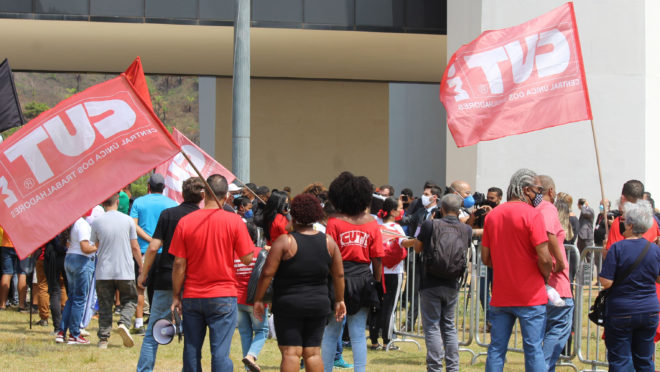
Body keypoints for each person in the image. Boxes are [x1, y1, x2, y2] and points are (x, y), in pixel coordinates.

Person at [169, 174, 254, 372]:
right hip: (223, 295)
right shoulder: (234, 222)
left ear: (203, 193)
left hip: (192, 295)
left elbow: (179, 264)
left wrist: (175, 295)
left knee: (191, 349)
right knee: (220, 353)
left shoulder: (186, 222)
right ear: (225, 197)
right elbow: (247, 258)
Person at [254, 193, 346, 372]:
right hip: (319, 304)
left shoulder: (285, 242)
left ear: (293, 214)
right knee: (313, 353)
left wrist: (258, 299)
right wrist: (340, 300)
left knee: (290, 352)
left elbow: (266, 274)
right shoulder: (328, 242)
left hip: (288, 304)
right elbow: (339, 275)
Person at [481, 168, 553, 372]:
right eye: (538, 189)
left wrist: (506, 265)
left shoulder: (493, 216)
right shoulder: (533, 215)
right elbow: (544, 257)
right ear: (527, 190)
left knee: (496, 348)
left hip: (501, 294)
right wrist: (544, 274)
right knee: (533, 349)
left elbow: (485, 258)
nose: (540, 193)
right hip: (530, 295)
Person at [136, 177, 205, 372]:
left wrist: (144, 273)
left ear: (183, 193)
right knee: (193, 333)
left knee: (153, 331)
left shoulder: (168, 214)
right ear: (201, 196)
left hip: (166, 276)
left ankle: (144, 370)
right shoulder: (202, 217)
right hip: (193, 280)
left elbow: (153, 247)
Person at [321, 171, 384, 372]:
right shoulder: (372, 223)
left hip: (337, 279)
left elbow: (327, 254)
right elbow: (377, 258)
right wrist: (376, 282)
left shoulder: (334, 222)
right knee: (358, 333)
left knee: (331, 330)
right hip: (363, 279)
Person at [412, 193, 471, 372]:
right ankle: (453, 368)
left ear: (441, 209)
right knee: (449, 326)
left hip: (430, 281)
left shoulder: (431, 224)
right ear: (459, 209)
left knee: (431, 326)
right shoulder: (466, 229)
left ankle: (435, 368)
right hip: (452, 282)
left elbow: (418, 247)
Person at [600, 200, 660, 372]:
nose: (622, 222)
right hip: (649, 310)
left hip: (622, 310)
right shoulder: (655, 250)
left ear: (631, 224)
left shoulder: (618, 248)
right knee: (644, 360)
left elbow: (606, 282)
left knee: (620, 360)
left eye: (624, 220)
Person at [92, 194, 142, 349]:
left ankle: (103, 339)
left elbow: (95, 245)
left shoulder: (97, 222)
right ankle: (124, 323)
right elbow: (134, 246)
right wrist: (141, 266)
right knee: (131, 299)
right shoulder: (127, 220)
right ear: (118, 202)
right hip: (124, 269)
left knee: (105, 305)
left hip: (103, 271)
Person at [130, 173, 177, 334]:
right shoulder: (172, 204)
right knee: (163, 289)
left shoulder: (138, 202)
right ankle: (165, 320)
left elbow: (133, 226)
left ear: (148, 187)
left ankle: (138, 323)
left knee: (141, 287)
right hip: (166, 251)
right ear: (164, 188)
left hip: (144, 250)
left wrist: (150, 239)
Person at [537, 176, 573, 372]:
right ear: (551, 191)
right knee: (557, 330)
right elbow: (549, 235)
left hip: (540, 285)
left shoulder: (532, 210)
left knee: (542, 333)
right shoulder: (548, 208)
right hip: (556, 285)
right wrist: (558, 261)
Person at [370, 196, 409, 350]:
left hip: (377, 270)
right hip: (394, 272)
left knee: (376, 304)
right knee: (390, 307)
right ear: (393, 212)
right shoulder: (396, 228)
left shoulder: (376, 227)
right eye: (399, 208)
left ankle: (374, 340)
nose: (401, 211)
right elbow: (403, 242)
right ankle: (388, 340)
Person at [56, 216, 97, 345]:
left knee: (72, 297)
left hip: (70, 258)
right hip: (82, 261)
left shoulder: (72, 223)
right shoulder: (83, 224)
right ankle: (74, 334)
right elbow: (85, 247)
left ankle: (61, 332)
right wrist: (98, 245)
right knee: (79, 299)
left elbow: (68, 244)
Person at [234, 222, 269, 372]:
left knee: (245, 332)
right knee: (262, 331)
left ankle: (248, 367)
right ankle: (251, 356)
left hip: (237, 299)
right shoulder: (261, 252)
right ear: (256, 236)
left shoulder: (233, 254)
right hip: (256, 300)